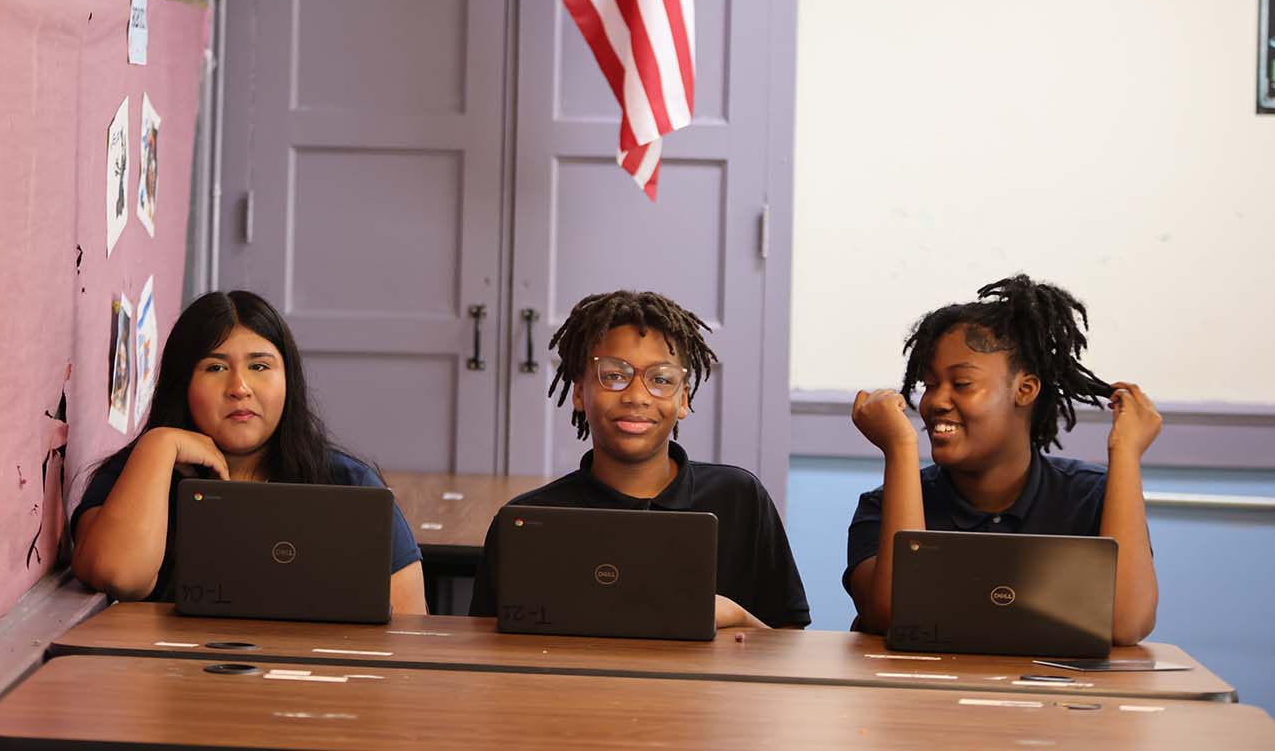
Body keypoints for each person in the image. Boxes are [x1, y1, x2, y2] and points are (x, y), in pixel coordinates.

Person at [844, 274, 1160, 645]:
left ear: (1024, 390)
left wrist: (1125, 453)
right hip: (926, 702)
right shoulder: (884, 505)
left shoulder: (1091, 497)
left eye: (961, 384)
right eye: (929, 385)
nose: (936, 401)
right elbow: (892, 615)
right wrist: (899, 448)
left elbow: (1126, 624)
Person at [469, 290, 811, 629]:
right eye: (614, 375)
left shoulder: (740, 498)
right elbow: (490, 651)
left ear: (683, 399)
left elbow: (789, 642)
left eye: (661, 379)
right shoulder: (527, 523)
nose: (636, 396)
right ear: (578, 392)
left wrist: (737, 617)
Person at [72, 290, 427, 613]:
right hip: (171, 679)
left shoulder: (350, 485)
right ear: (183, 383)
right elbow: (120, 576)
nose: (239, 388)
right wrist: (161, 444)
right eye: (215, 367)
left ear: (289, 379)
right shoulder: (135, 474)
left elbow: (409, 633)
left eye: (259, 366)